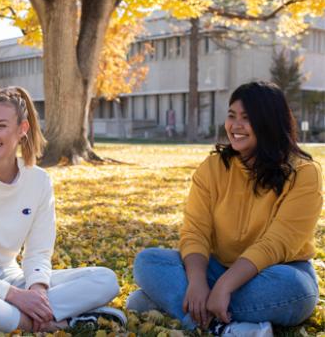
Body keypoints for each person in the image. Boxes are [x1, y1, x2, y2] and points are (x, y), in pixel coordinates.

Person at [128, 82, 322, 335]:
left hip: (276, 271)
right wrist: (198, 282)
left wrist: (224, 287)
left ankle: (174, 306)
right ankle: (225, 325)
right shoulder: (212, 168)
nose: (235, 126)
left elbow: (276, 243)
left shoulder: (304, 173)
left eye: (247, 119)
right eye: (232, 116)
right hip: (216, 267)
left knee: (295, 289)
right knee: (147, 262)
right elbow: (195, 232)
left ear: (269, 122)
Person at [0, 86, 125, 334]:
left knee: (104, 280)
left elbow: (39, 252)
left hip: (13, 277)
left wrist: (37, 292)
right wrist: (13, 296)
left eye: (0, 126)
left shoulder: (39, 181)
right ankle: (48, 322)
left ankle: (3, 319)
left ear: (22, 129)